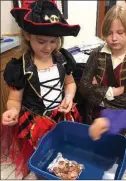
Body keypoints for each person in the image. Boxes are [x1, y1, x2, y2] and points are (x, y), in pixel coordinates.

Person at [1, 0, 81, 178]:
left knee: (64, 155)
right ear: (27, 35)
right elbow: (14, 99)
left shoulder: (62, 59)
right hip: (35, 125)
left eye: (54, 41)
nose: (48, 47)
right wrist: (12, 111)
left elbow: (69, 83)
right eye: (41, 41)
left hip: (61, 117)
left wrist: (68, 97)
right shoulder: (21, 67)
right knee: (42, 160)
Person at [79, 4, 126, 124]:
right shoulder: (97, 54)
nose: (114, 38)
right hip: (93, 116)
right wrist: (112, 92)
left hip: (119, 120)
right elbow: (83, 87)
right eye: (109, 33)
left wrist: (96, 89)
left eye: (120, 32)